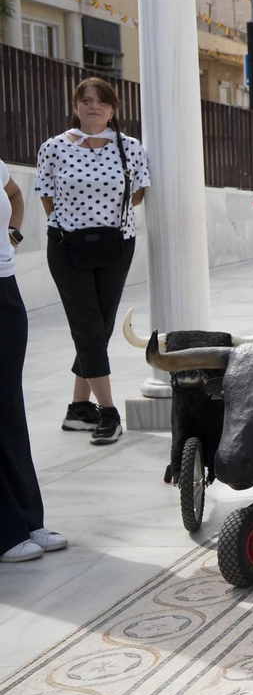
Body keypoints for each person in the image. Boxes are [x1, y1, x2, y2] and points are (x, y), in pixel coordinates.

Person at [35, 76, 150, 445]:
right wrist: (79, 222)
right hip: (68, 247)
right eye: (85, 100)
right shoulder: (53, 147)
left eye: (101, 101)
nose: (93, 106)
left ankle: (79, 409)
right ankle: (109, 412)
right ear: (75, 107)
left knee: (98, 327)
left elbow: (138, 195)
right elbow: (46, 196)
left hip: (116, 246)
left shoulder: (130, 147)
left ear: (113, 109)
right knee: (87, 327)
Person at [2, 159, 68, 563]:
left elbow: (12, 194)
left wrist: (13, 232)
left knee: (10, 408)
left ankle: (28, 519)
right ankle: (4, 529)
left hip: (5, 289)